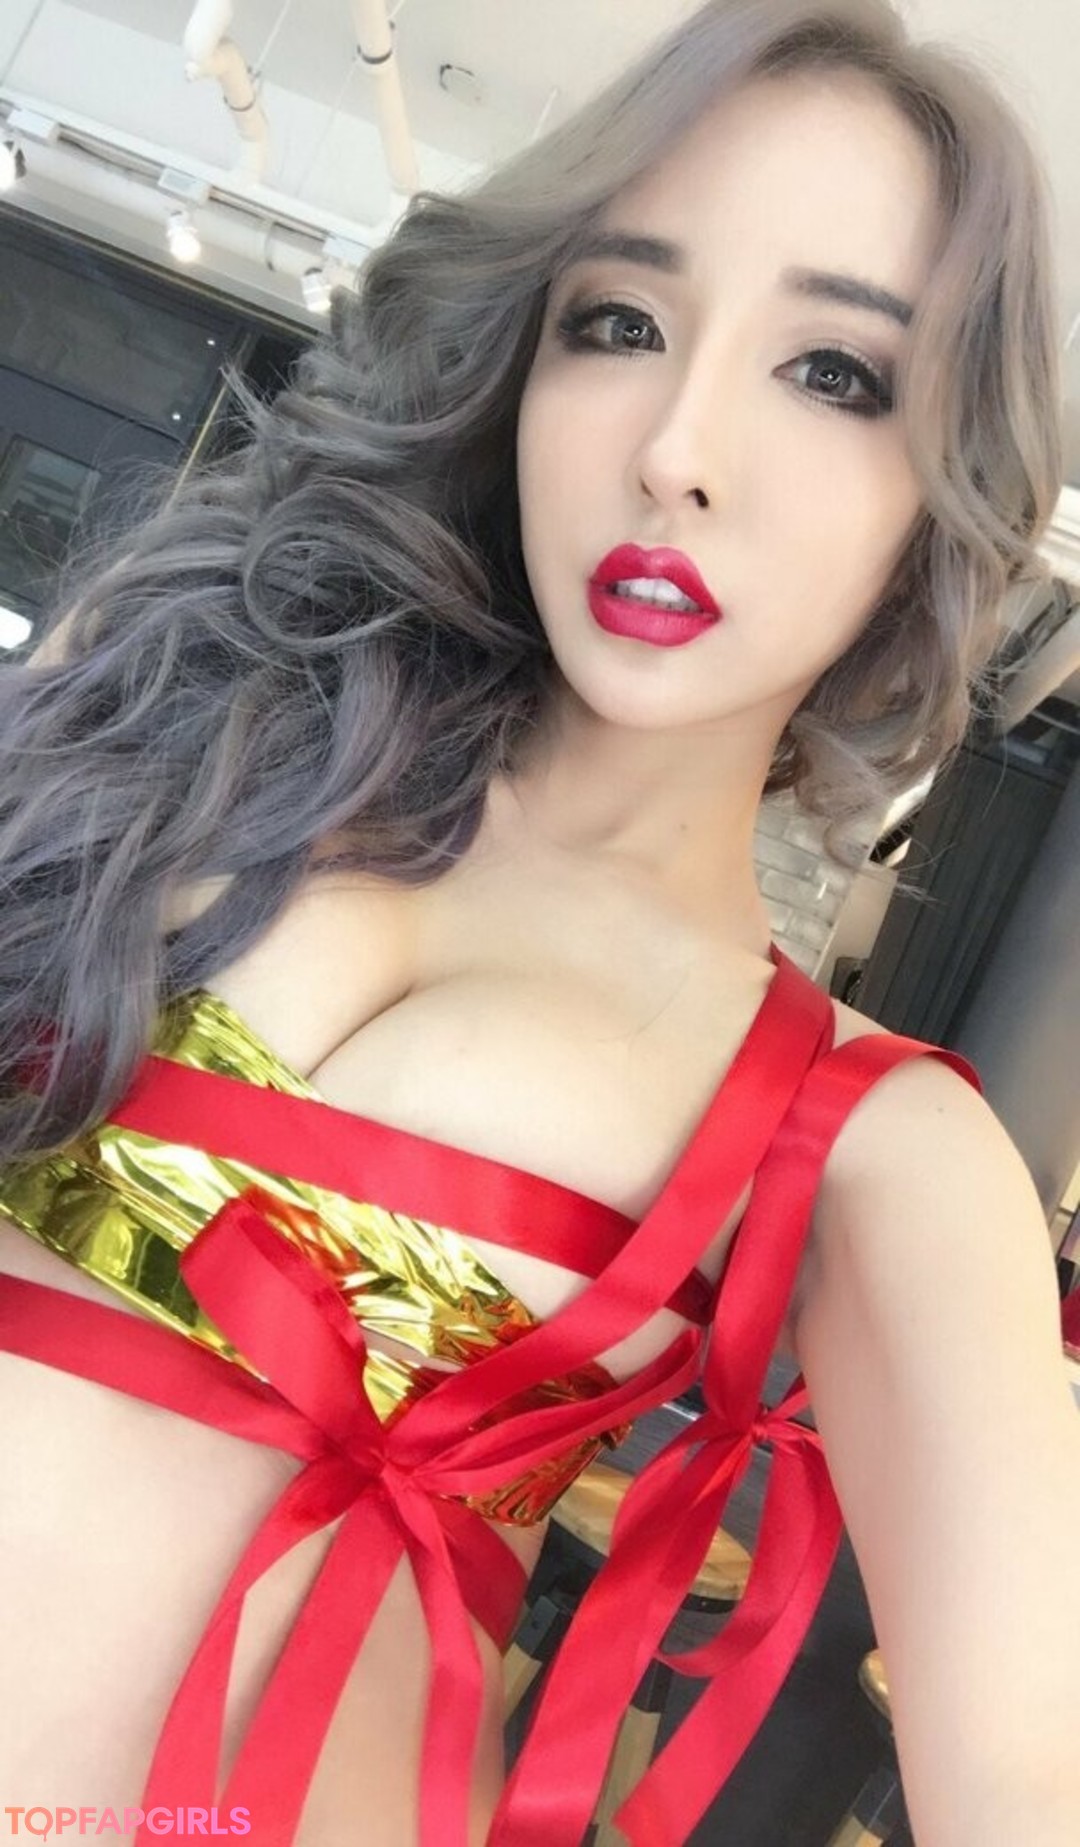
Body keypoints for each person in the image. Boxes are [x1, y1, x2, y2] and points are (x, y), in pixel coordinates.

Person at [0, 0, 1078, 1842]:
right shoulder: (186, 711)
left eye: (835, 372)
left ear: (942, 489)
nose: (676, 449)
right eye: (620, 323)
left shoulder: (872, 1136)